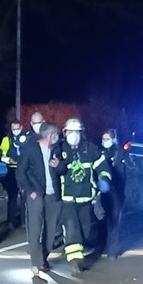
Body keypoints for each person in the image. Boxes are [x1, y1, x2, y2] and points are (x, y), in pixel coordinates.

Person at [56, 117, 111, 274]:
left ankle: (83, 247)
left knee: (86, 230)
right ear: (65, 133)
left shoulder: (90, 149)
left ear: (82, 133)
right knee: (72, 228)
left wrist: (104, 178)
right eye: (70, 132)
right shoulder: (59, 149)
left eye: (77, 132)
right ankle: (75, 260)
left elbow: (102, 166)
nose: (74, 135)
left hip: (86, 198)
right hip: (67, 198)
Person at [18, 121, 62, 277]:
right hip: (36, 195)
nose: (58, 137)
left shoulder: (56, 150)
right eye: (56, 134)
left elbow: (64, 169)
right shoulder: (30, 149)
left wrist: (59, 165)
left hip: (53, 196)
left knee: (51, 231)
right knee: (35, 228)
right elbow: (21, 172)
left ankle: (43, 258)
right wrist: (30, 190)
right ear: (50, 136)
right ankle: (35, 263)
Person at [98, 129, 128, 258]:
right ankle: (103, 246)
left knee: (114, 220)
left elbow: (128, 173)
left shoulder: (121, 153)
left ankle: (112, 251)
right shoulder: (99, 152)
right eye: (103, 139)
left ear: (113, 139)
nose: (105, 141)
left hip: (117, 190)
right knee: (103, 219)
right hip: (103, 191)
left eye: (107, 139)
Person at [0, 119, 29, 229]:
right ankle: (11, 221)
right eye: (13, 129)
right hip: (11, 171)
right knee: (12, 197)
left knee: (25, 196)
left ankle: (25, 221)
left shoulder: (27, 138)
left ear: (21, 128)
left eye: (17, 128)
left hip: (25, 171)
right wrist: (8, 160)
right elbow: (1, 154)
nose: (15, 131)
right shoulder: (7, 140)